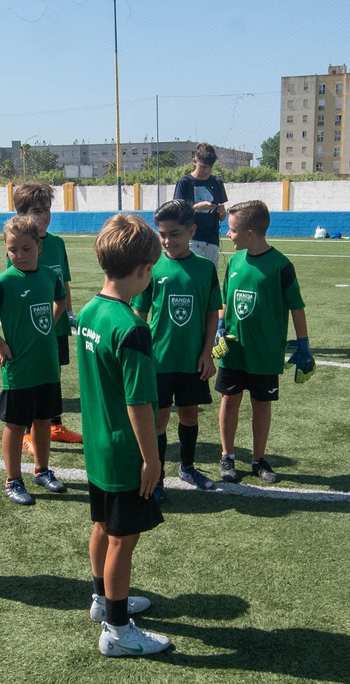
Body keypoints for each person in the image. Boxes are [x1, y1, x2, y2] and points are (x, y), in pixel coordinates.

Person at [77, 214, 170, 657]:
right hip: (121, 452)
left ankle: (103, 600)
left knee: (102, 526)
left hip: (97, 446)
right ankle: (116, 629)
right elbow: (139, 404)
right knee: (122, 540)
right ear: (142, 271)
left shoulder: (91, 310)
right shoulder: (133, 327)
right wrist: (151, 460)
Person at [0, 215, 70, 505]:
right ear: (6, 250)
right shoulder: (4, 282)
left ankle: (42, 470)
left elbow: (61, 299)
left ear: (39, 247)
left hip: (46, 364)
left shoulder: (50, 276)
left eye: (26, 248)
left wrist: (50, 323)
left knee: (43, 420)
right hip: (19, 367)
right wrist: (0, 342)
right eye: (13, 250)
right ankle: (13, 479)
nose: (19, 255)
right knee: (14, 423)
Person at [213, 200, 313, 485]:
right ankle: (227, 456)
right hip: (233, 350)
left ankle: (258, 459)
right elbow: (224, 299)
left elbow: (296, 307)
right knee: (229, 400)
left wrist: (304, 345)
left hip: (265, 352)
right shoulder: (234, 262)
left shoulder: (281, 266)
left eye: (232, 231)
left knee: (262, 404)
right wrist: (221, 325)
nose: (228, 235)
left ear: (250, 234)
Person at [132, 200, 222, 497]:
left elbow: (212, 313)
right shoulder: (151, 267)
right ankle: (156, 477)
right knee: (158, 418)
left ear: (191, 230)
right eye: (162, 234)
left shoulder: (205, 269)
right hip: (158, 359)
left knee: (189, 414)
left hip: (191, 360)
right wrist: (138, 351)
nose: (168, 240)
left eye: (175, 234)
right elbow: (139, 312)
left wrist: (207, 352)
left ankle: (187, 466)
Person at [11, 182, 85, 454]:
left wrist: (69, 313)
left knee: (53, 374)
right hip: (33, 326)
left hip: (57, 323)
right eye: (36, 211)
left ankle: (55, 425)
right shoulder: (20, 246)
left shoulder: (57, 243)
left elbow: (63, 282)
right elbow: (16, 288)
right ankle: (30, 431)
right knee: (35, 378)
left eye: (47, 210)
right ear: (21, 214)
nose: (44, 216)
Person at [174, 143, 228, 268]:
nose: (207, 171)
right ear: (194, 161)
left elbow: (221, 218)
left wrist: (222, 211)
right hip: (191, 239)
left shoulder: (217, 182)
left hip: (212, 240)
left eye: (210, 167)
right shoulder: (184, 183)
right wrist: (196, 208)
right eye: (203, 167)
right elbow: (177, 215)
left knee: (210, 278)